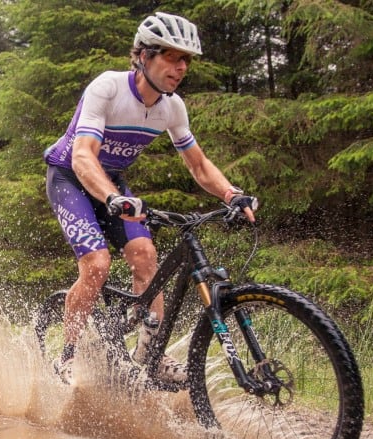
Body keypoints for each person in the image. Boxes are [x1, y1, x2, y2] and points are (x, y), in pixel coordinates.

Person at [43, 12, 258, 385]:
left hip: (110, 182)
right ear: (143, 55)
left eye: (186, 60)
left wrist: (231, 193)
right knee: (97, 264)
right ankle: (68, 355)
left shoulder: (171, 108)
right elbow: (82, 156)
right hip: (70, 178)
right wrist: (113, 197)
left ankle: (150, 357)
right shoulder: (108, 88)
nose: (181, 67)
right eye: (172, 57)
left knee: (146, 256)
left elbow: (199, 165)